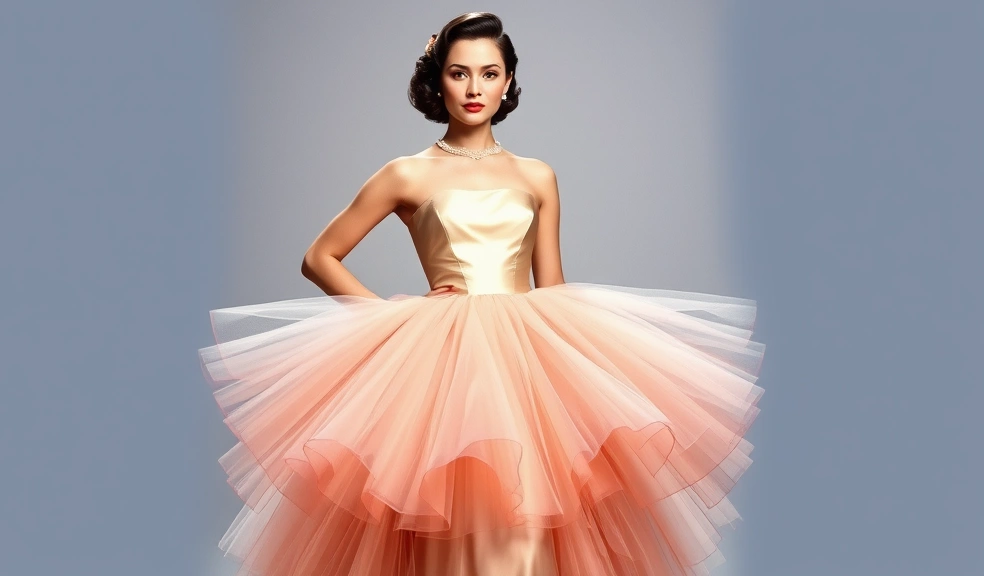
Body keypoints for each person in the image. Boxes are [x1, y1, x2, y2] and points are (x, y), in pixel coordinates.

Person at [198, 11, 765, 576]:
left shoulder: (536, 175)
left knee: (529, 531)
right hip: (443, 364)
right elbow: (318, 257)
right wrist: (389, 323)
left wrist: (577, 385)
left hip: (526, 357)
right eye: (459, 73)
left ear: (509, 81)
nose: (474, 89)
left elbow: (553, 286)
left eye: (489, 74)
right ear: (437, 80)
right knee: (447, 533)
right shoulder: (406, 174)